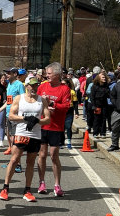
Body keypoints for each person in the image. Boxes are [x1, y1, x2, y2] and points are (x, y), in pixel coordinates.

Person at [0, 78, 51, 201]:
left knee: (30, 162)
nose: (34, 87)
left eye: (36, 85)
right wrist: (26, 118)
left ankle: (27, 190)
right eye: (32, 85)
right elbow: (11, 116)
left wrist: (37, 120)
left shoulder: (41, 100)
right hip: (21, 133)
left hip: (35, 135)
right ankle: (5, 188)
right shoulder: (19, 98)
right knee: (14, 160)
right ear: (26, 85)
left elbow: (48, 119)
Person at [37, 62, 71, 196]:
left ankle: (57, 185)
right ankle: (41, 183)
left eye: (49, 73)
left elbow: (66, 107)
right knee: (42, 154)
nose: (47, 76)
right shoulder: (42, 87)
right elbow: (36, 103)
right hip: (43, 125)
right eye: (46, 73)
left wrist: (52, 104)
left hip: (56, 126)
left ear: (57, 74)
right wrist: (43, 106)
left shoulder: (64, 89)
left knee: (53, 156)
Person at [90, 72, 110, 138]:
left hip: (104, 104)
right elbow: (92, 97)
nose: (104, 78)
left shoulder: (106, 86)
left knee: (104, 119)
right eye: (102, 77)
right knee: (97, 119)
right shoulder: (94, 87)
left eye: (104, 77)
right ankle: (95, 132)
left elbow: (109, 95)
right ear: (99, 79)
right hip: (97, 104)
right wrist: (93, 105)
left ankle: (102, 132)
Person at [62, 78, 77, 149]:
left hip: (69, 110)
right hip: (61, 110)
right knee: (62, 128)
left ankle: (69, 142)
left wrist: (76, 113)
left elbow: (75, 103)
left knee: (68, 127)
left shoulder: (72, 92)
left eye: (64, 84)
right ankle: (61, 142)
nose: (63, 85)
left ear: (68, 84)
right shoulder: (60, 91)